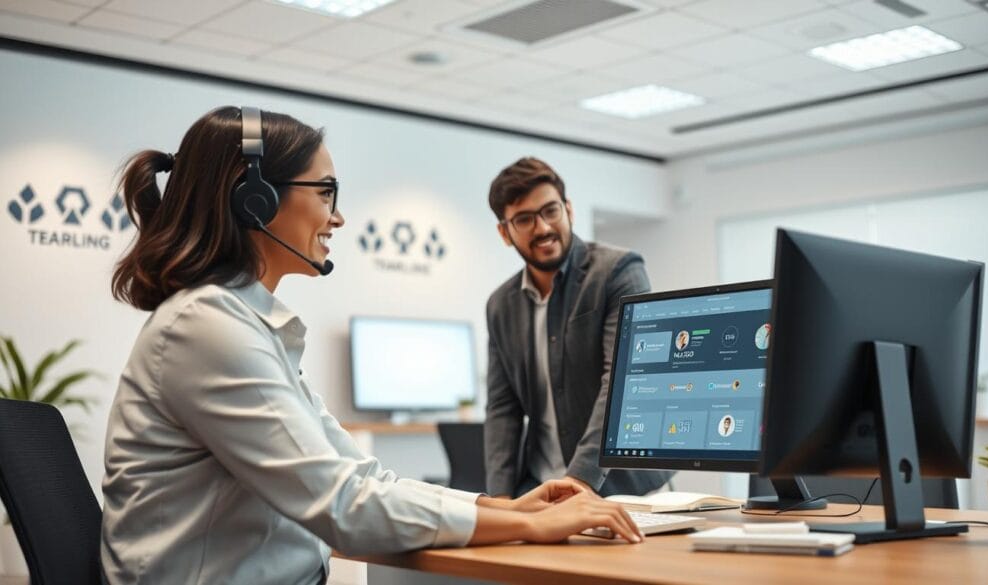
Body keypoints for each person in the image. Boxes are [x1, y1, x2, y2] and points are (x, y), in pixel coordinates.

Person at [101, 108, 642, 585]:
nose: (337, 216)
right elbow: (343, 504)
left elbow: (361, 477)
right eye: (326, 191)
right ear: (254, 199)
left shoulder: (241, 324)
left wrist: (499, 506)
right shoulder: (207, 328)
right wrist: (526, 523)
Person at [484, 157, 673, 498]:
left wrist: (579, 482)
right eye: (524, 219)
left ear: (568, 210)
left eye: (550, 211)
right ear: (504, 232)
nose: (542, 227)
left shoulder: (618, 272)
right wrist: (500, 500)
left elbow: (622, 382)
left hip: (625, 491)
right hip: (541, 491)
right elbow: (502, 409)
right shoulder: (501, 306)